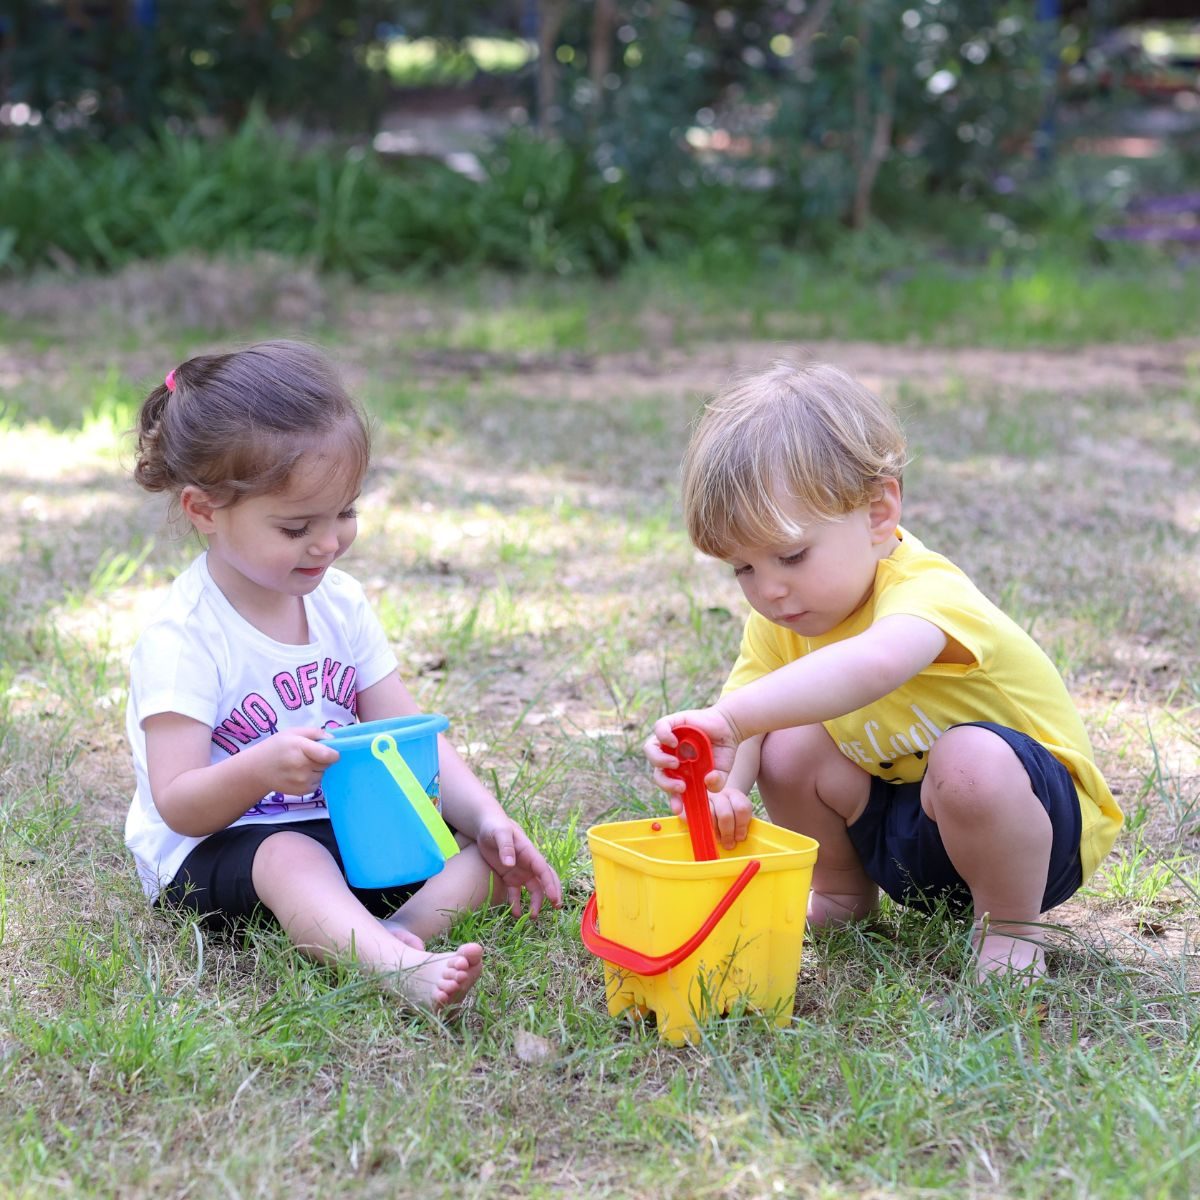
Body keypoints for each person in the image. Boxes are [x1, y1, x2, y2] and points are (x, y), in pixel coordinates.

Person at [645, 359, 1122, 980]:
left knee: (969, 757)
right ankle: (842, 893)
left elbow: (872, 664)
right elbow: (748, 728)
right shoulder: (786, 619)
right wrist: (719, 787)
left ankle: (1008, 929)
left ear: (877, 514)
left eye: (791, 555)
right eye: (744, 569)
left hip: (1034, 832)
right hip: (911, 833)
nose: (771, 591)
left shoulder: (927, 590)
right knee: (786, 742)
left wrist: (733, 716)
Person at [125, 340, 562, 1012]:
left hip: (347, 832)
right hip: (221, 853)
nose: (328, 543)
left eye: (345, 513)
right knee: (289, 857)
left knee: (478, 849)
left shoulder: (340, 603)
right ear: (205, 511)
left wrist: (490, 816)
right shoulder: (185, 634)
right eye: (297, 526)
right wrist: (259, 769)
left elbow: (408, 735)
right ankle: (390, 968)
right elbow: (177, 801)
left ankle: (397, 934)